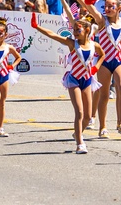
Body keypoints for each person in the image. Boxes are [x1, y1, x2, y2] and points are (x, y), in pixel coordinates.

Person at [32, 8, 105, 153]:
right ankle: (80, 144)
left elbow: (102, 55)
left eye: (78, 30)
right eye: (74, 30)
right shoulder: (72, 43)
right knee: (79, 112)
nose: (75, 33)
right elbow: (52, 34)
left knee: (88, 116)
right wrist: (37, 26)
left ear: (87, 30)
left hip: (87, 80)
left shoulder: (94, 45)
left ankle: (77, 133)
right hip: (74, 80)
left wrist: (96, 67)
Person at [81, 0, 121, 136]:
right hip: (105, 61)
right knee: (104, 94)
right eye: (106, 6)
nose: (107, 9)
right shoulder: (102, 21)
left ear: (119, 8)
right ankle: (102, 126)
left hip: (120, 60)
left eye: (111, 6)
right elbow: (92, 10)